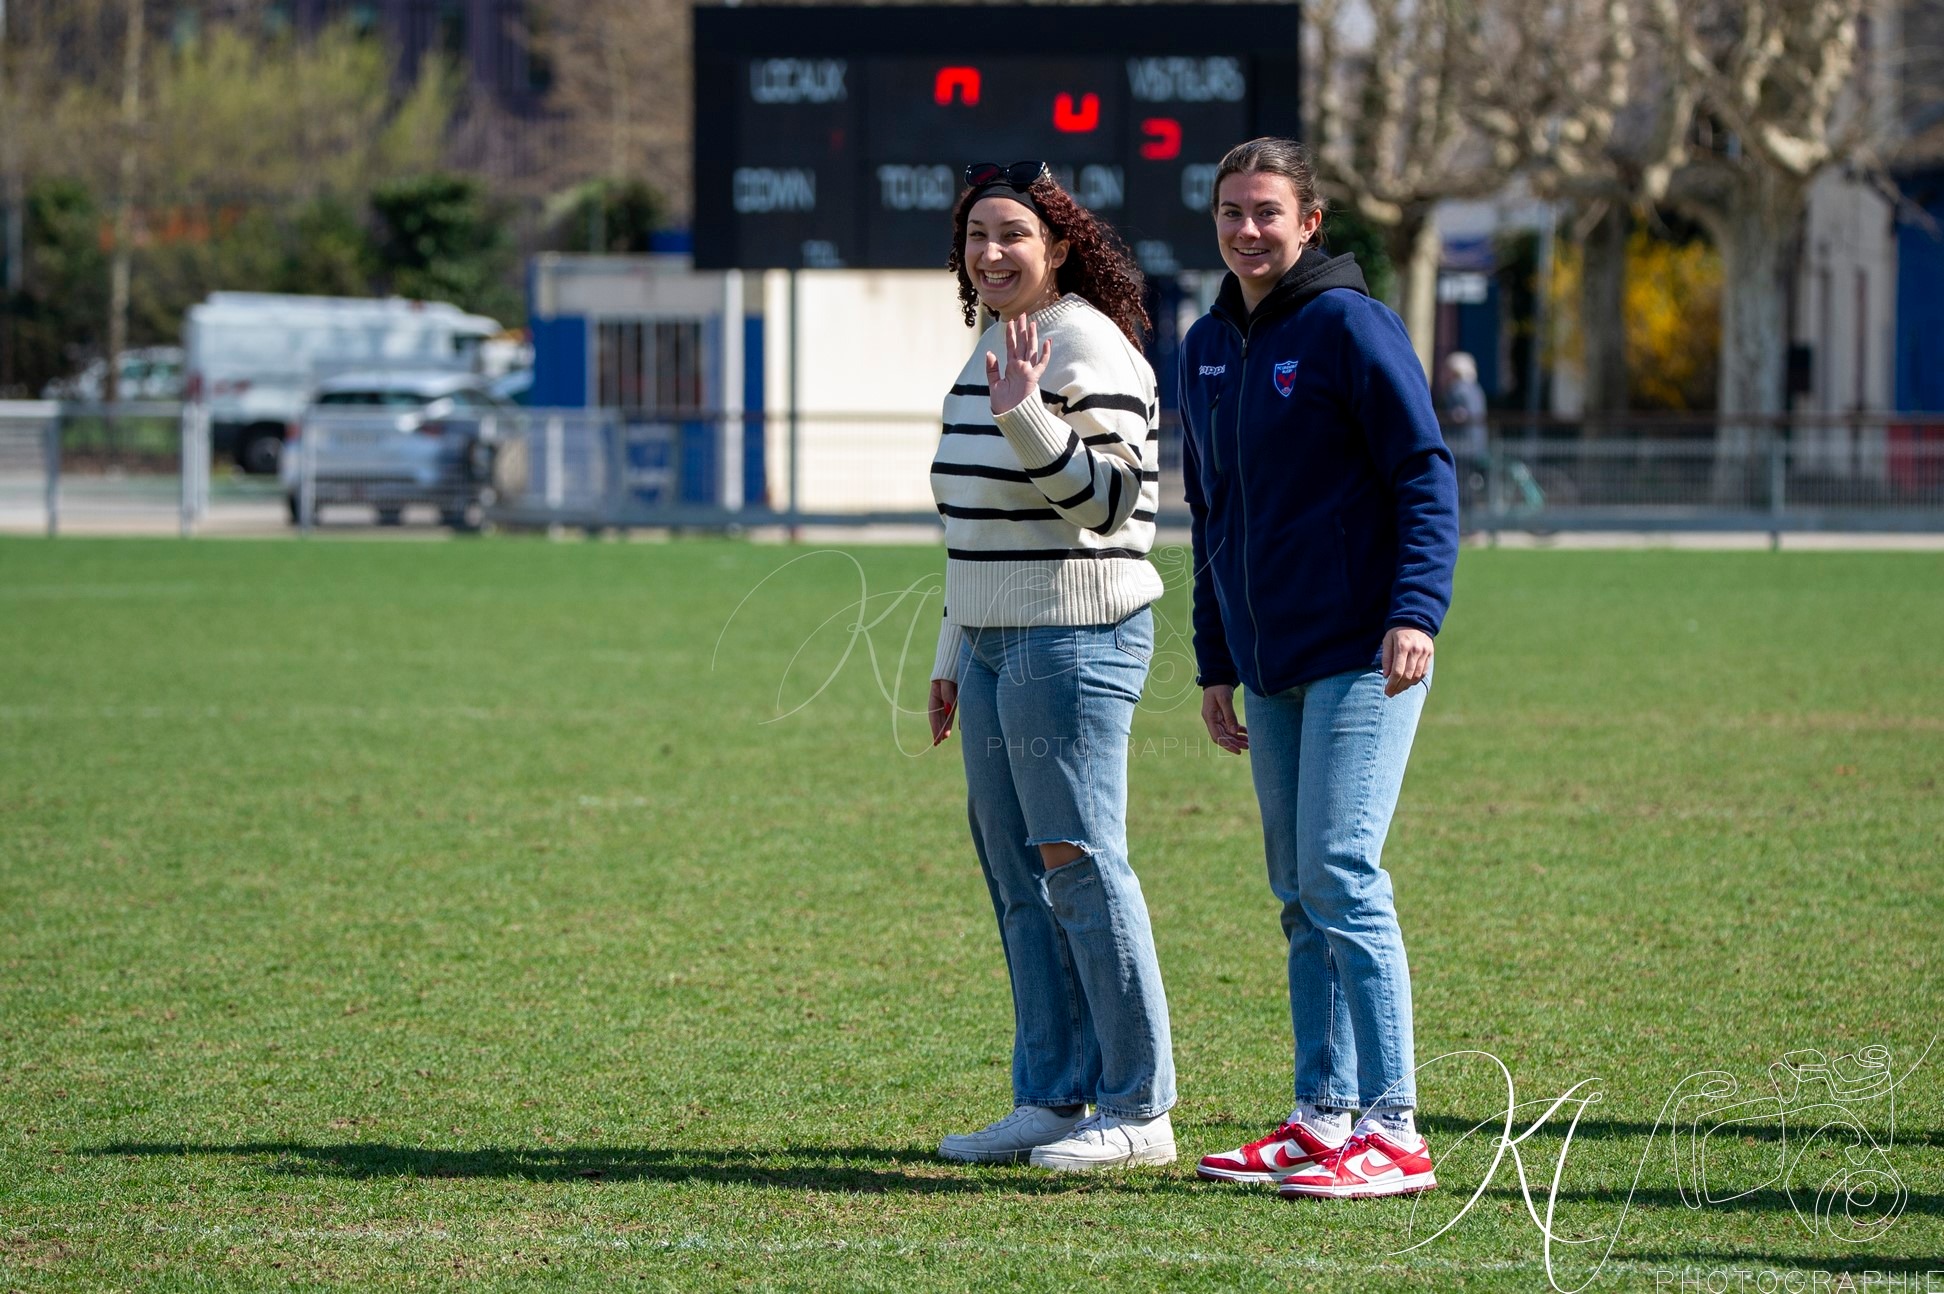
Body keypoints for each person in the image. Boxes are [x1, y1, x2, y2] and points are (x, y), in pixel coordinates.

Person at [1176, 138, 1459, 1199]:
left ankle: (1395, 1127)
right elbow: (1210, 516)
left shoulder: (1349, 325)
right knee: (1299, 893)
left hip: (1361, 651)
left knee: (1342, 871)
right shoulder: (1207, 345)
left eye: (1267, 212)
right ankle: (1321, 1116)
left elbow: (1424, 472)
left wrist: (1415, 610)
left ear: (1309, 223)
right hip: (1269, 664)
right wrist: (1215, 659)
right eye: (1231, 212)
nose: (1247, 230)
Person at [927, 160, 1177, 1171]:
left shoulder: (1085, 343)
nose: (991, 252)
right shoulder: (995, 343)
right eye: (977, 235)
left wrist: (1026, 412)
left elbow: (1111, 505)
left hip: (1072, 636)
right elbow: (972, 525)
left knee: (1079, 862)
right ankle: (1053, 1095)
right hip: (993, 644)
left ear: (1060, 246)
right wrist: (953, 652)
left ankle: (1141, 1107)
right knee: (1015, 873)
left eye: (1013, 235)